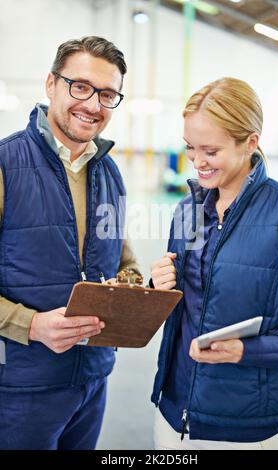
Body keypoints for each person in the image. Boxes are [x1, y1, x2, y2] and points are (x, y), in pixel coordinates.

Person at [0, 36, 140, 450]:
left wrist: (132, 291)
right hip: (20, 389)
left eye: (108, 94)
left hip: (92, 382)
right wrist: (31, 325)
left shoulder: (109, 173)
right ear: (51, 84)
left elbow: (122, 262)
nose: (93, 104)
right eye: (80, 86)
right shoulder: (6, 166)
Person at [150, 77, 278, 450]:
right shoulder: (187, 210)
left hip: (248, 429)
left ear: (250, 142)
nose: (197, 162)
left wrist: (246, 351)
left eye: (211, 151)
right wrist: (157, 288)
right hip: (173, 416)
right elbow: (180, 311)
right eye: (189, 148)